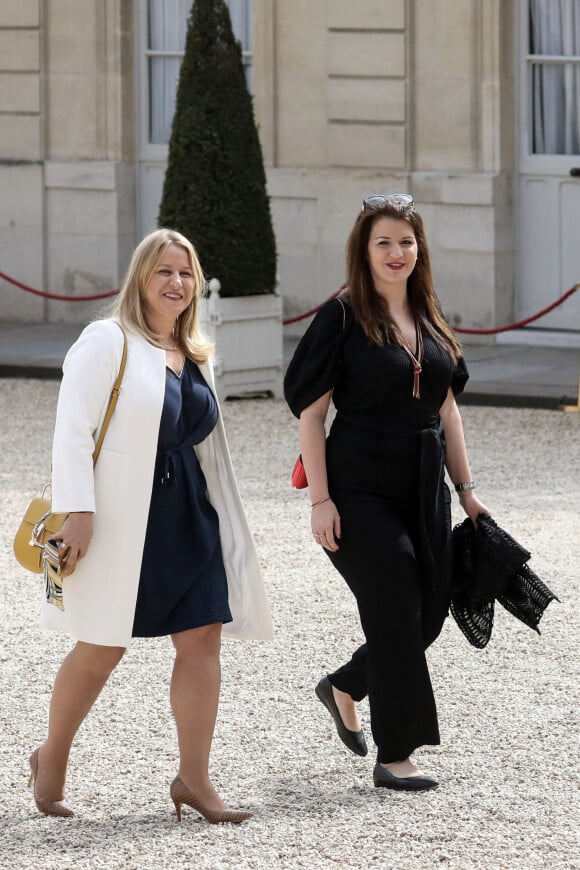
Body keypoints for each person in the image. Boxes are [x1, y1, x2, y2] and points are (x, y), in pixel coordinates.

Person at [28, 228, 272, 823]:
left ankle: (194, 779)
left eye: (186, 273)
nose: (177, 283)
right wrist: (78, 511)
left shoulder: (194, 351)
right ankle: (51, 758)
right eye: (164, 271)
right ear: (140, 277)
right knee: (101, 646)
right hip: (119, 516)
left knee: (202, 637)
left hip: (188, 513)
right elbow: (72, 428)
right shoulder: (106, 340)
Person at [284, 194, 490, 791]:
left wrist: (467, 491)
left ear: (418, 249)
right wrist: (320, 500)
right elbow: (310, 417)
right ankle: (395, 755)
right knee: (397, 601)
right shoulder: (343, 316)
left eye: (406, 241)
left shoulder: (429, 314)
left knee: (424, 617)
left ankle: (346, 684)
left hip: (424, 486)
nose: (396, 253)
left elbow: (448, 411)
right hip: (357, 486)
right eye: (384, 242)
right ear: (364, 251)